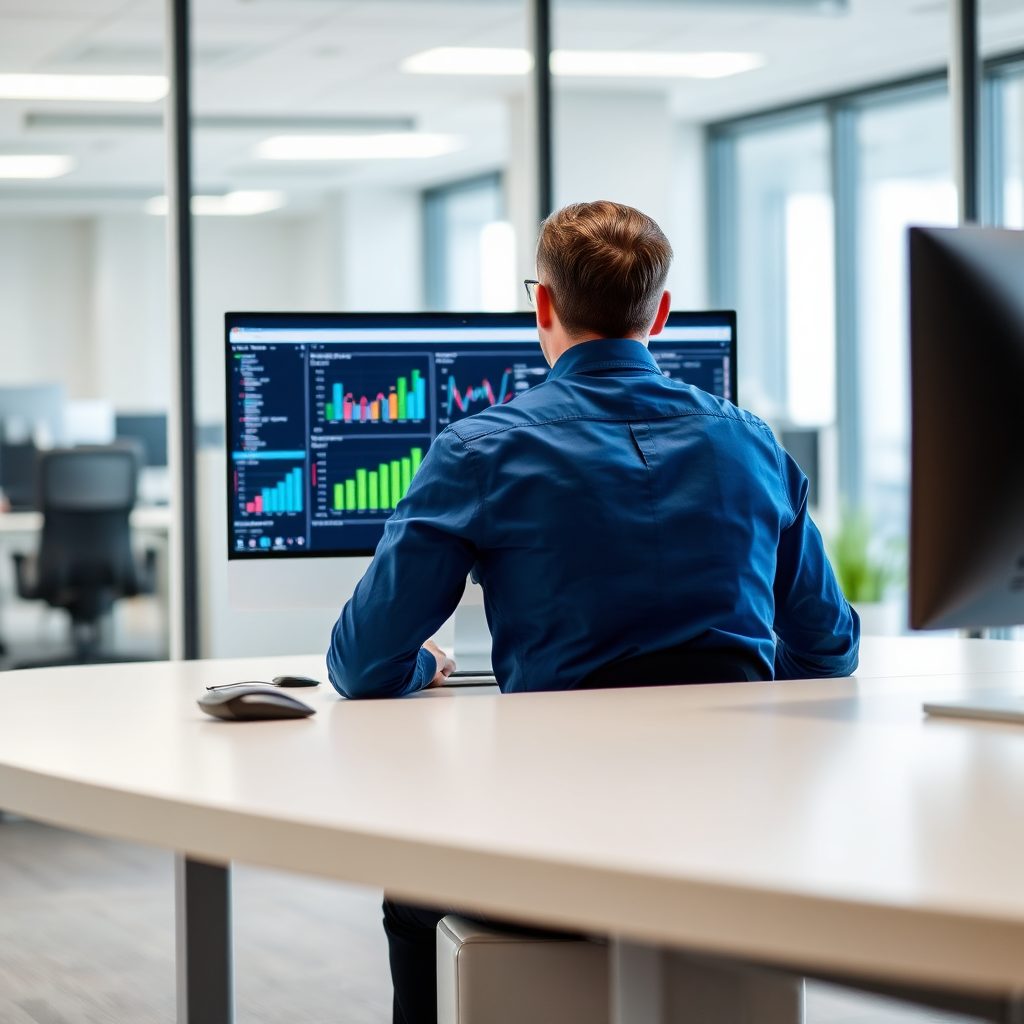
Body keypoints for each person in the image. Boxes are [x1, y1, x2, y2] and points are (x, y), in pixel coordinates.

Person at [327, 200, 859, 1024]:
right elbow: (829, 649)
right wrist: (723, 693)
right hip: (737, 857)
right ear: (662, 315)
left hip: (560, 859)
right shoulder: (752, 442)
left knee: (415, 883)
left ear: (541, 306)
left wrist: (423, 665)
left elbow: (361, 665)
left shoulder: (480, 450)